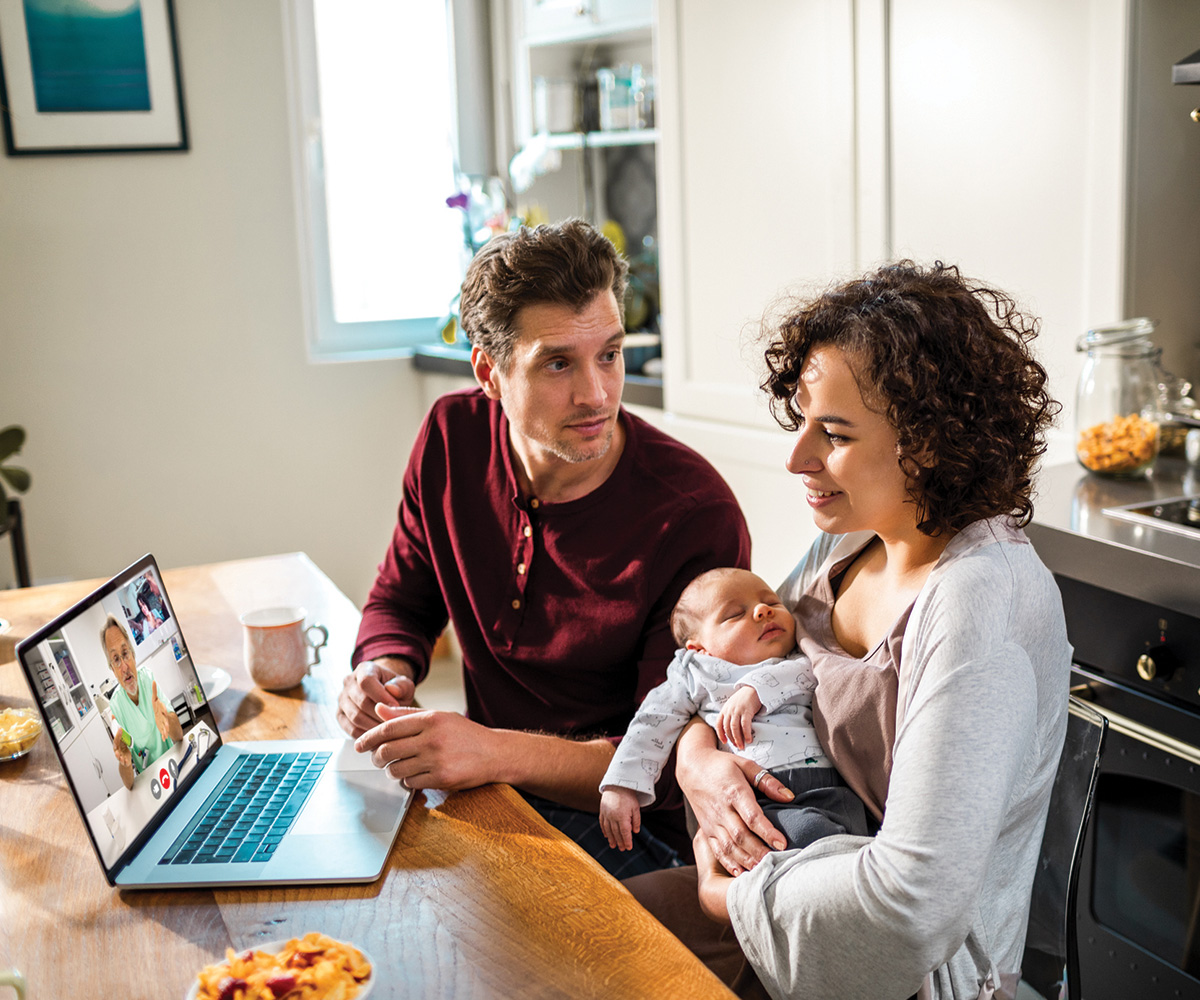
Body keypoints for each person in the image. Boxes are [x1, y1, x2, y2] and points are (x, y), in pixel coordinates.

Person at [626, 260, 1072, 1000]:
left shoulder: (979, 602)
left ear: (927, 442)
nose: (797, 457)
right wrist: (696, 759)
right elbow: (731, 671)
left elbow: (910, 909)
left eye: (832, 433)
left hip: (917, 974)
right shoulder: (848, 544)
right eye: (801, 421)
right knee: (569, 937)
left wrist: (726, 899)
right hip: (794, 882)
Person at [341, 219, 751, 877]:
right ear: (489, 372)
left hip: (633, 830)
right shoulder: (452, 437)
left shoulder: (693, 515)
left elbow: (670, 765)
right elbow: (402, 598)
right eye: (558, 363)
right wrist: (384, 671)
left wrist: (490, 752)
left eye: (609, 354)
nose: (596, 394)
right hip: (498, 791)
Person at [599, 567, 868, 854]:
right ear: (700, 649)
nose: (763, 610)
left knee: (852, 832)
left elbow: (814, 671)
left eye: (773, 602)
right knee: (808, 836)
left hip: (830, 784)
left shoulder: (798, 655)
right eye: (734, 614)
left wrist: (755, 690)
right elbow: (653, 722)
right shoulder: (694, 672)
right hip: (757, 797)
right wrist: (622, 786)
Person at [101, 614, 182, 790]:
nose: (124, 667)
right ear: (113, 670)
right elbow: (129, 784)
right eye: (116, 659)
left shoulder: (148, 679)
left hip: (173, 763)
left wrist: (167, 717)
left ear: (133, 654)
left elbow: (179, 736)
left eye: (125, 654)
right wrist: (125, 763)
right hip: (150, 781)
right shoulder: (116, 706)